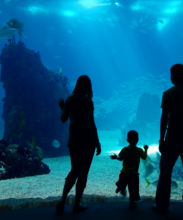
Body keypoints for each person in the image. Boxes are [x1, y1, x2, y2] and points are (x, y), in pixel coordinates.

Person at [152, 64, 183, 217]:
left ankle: (162, 205)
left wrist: (161, 139)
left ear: (172, 76)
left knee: (165, 172)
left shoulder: (168, 93)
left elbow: (164, 118)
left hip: (172, 137)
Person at [56, 75, 101, 214]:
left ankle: (62, 201)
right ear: (88, 87)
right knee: (83, 173)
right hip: (87, 143)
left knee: (74, 170)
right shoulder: (87, 102)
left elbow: (63, 118)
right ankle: (76, 204)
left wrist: (63, 107)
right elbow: (90, 124)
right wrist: (97, 142)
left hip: (73, 142)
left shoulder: (69, 100)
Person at [110, 130, 148, 209]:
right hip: (134, 174)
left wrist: (115, 157)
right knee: (133, 189)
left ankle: (121, 186)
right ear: (137, 140)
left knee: (123, 181)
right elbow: (144, 157)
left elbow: (120, 158)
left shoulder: (125, 149)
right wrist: (146, 149)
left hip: (124, 173)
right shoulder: (139, 150)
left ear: (127, 140)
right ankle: (132, 203)